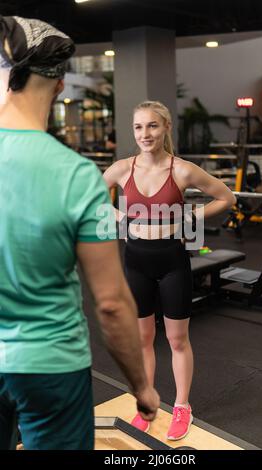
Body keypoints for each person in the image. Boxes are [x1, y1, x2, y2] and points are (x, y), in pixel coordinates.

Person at [0, 16, 159, 450]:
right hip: (50, 365)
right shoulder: (78, 177)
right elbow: (110, 304)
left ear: (7, 77)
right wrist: (141, 387)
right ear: (58, 85)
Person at [103, 100, 236, 441]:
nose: (145, 134)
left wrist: (190, 217)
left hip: (172, 261)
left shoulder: (182, 170)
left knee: (177, 340)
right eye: (138, 127)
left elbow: (226, 197)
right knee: (143, 339)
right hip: (135, 260)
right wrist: (120, 218)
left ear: (165, 129)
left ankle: (181, 406)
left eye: (152, 126)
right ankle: (146, 405)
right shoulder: (121, 169)